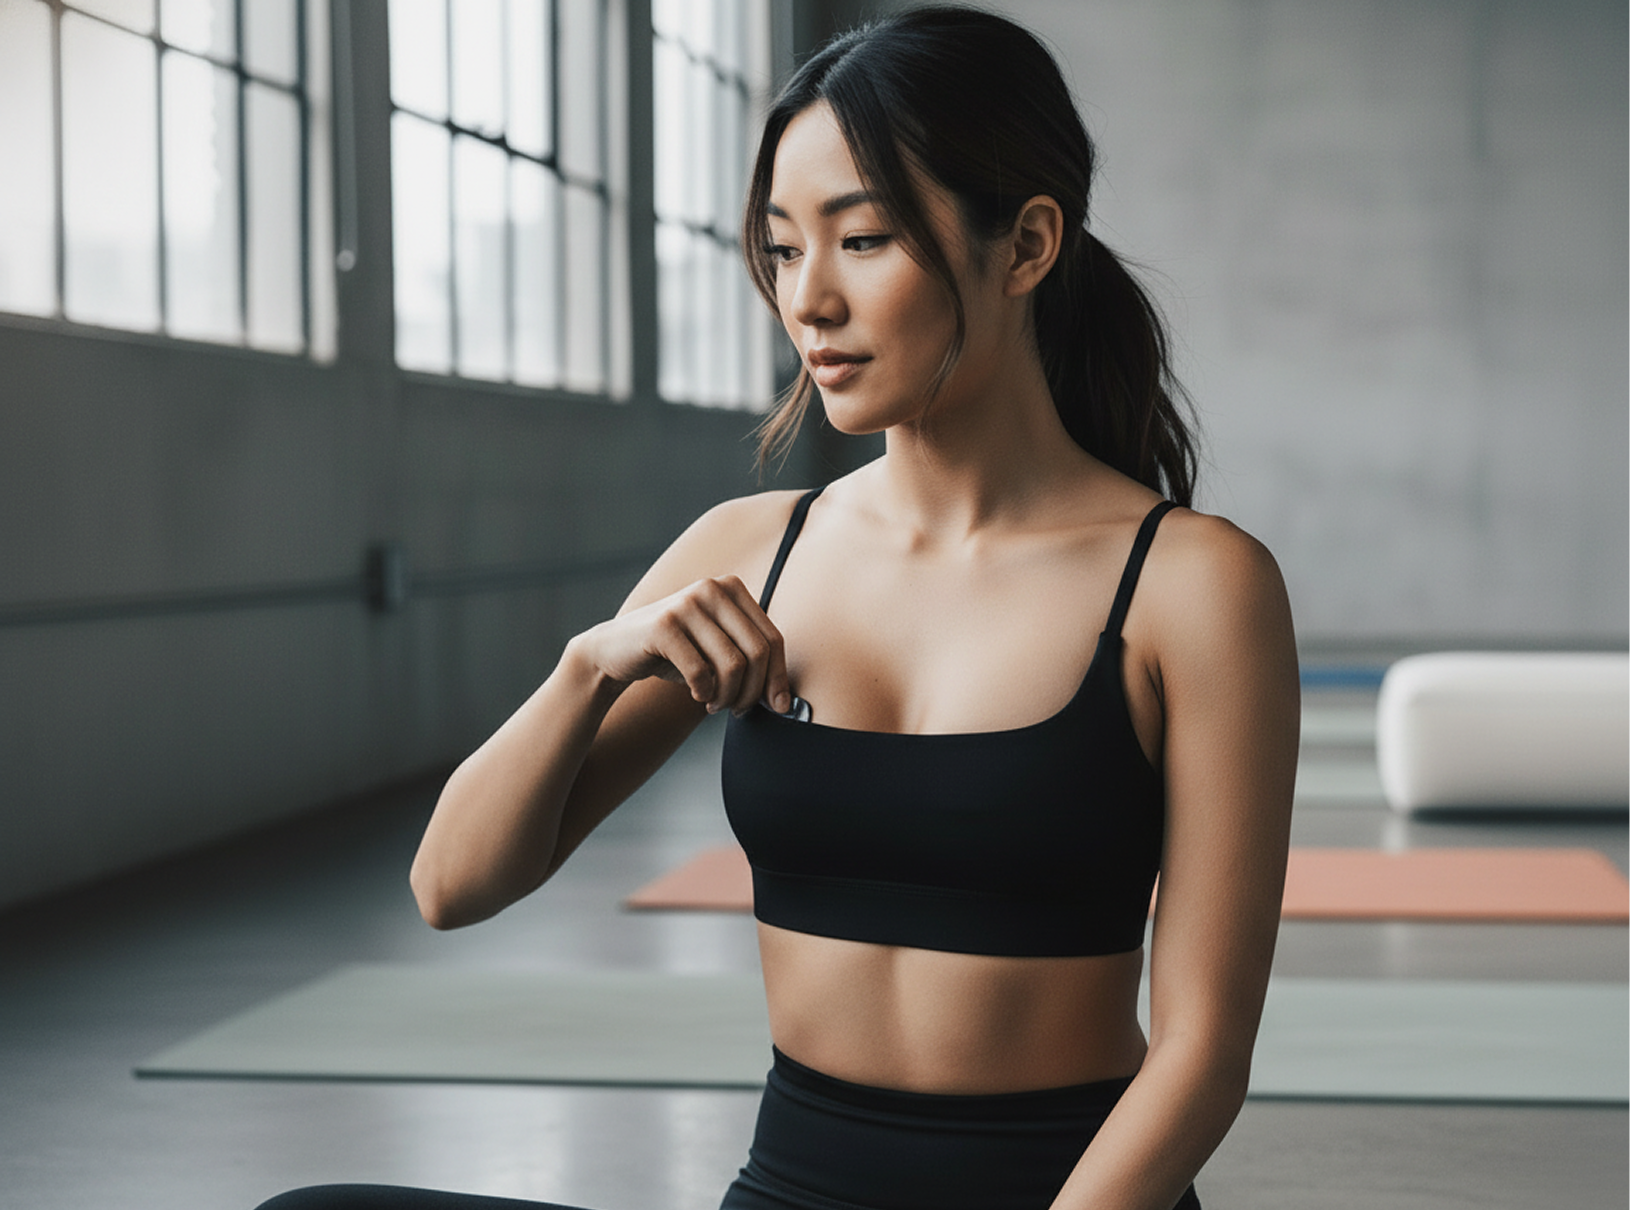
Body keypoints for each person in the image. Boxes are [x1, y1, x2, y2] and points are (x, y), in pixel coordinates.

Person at [264, 6, 1298, 1209]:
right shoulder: (750, 549)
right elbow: (451, 886)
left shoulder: (1193, 584)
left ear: (1025, 245)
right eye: (779, 247)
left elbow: (1202, 1054)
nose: (807, 300)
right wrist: (590, 665)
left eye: (860, 240)